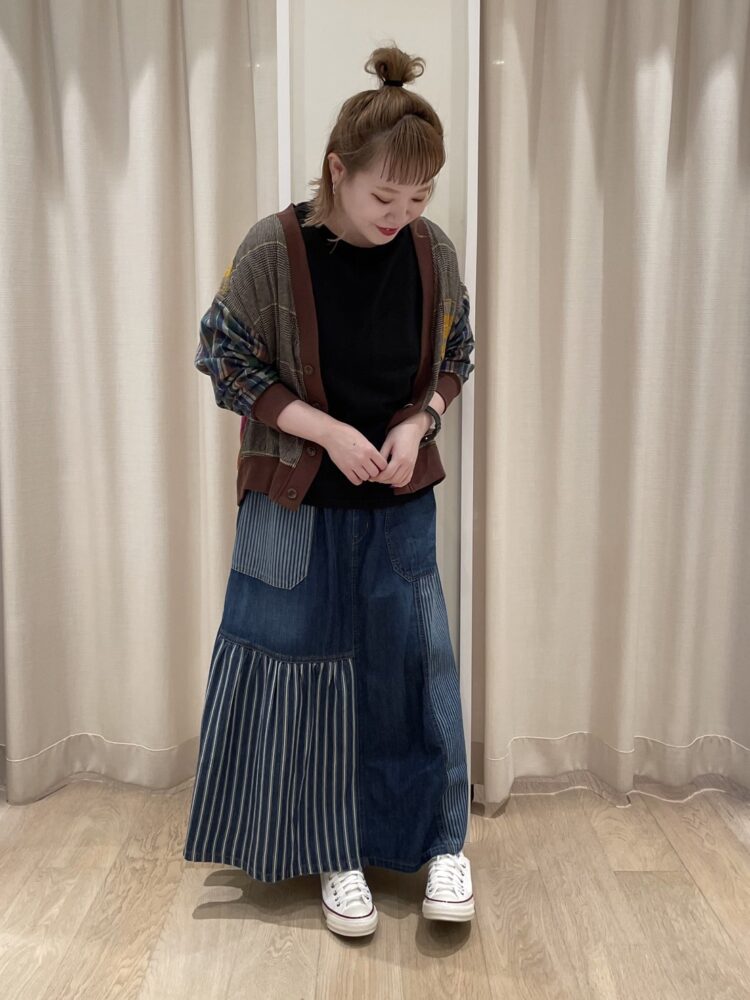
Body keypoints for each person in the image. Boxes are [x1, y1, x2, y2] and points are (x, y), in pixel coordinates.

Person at [182, 42, 477, 939]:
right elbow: (222, 354)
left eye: (419, 197)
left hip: (398, 501)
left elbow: (458, 350)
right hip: (293, 504)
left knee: (412, 670)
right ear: (337, 171)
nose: (403, 215)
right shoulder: (273, 248)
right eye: (385, 196)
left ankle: (440, 843)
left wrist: (420, 420)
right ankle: (331, 849)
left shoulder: (433, 251)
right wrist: (327, 431)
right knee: (302, 676)